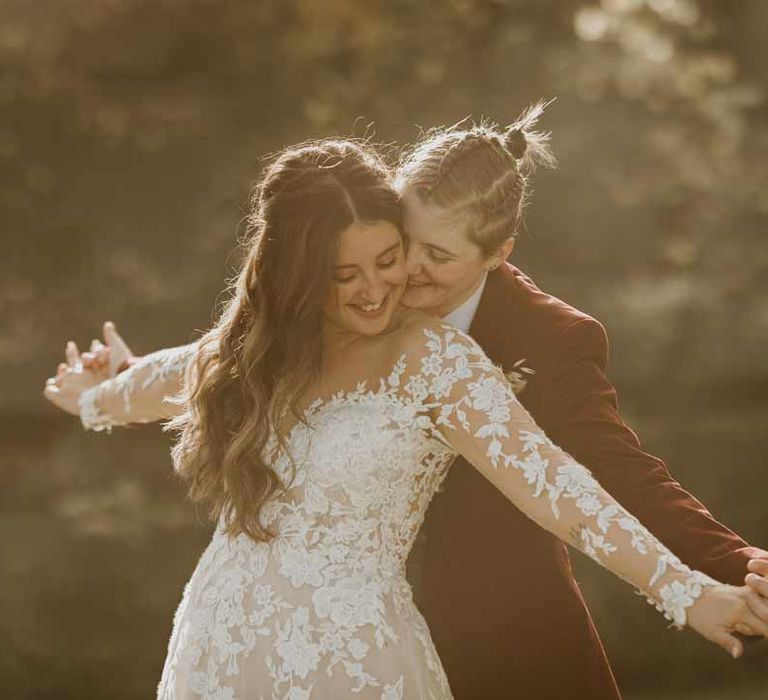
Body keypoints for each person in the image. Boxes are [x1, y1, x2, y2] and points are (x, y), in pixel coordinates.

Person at [44, 133, 767, 699]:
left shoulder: (438, 359)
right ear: (298, 273)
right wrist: (92, 395)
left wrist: (690, 592)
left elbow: (559, 485)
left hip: (357, 656)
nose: (377, 289)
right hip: (221, 640)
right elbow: (155, 382)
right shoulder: (265, 344)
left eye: (390, 260)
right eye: (343, 274)